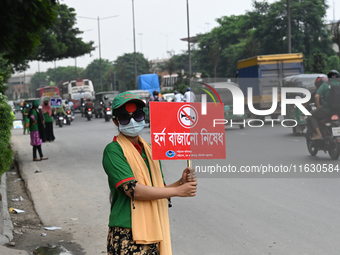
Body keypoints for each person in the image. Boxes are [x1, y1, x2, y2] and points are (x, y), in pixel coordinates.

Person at [102, 91, 197, 255]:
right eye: (125, 117)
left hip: (153, 227)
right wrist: (178, 191)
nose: (132, 121)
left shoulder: (150, 149)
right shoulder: (113, 151)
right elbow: (134, 190)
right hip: (127, 231)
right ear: (116, 122)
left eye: (137, 115)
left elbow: (159, 189)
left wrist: (180, 183)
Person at [307, 70, 339, 140]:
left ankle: (318, 134)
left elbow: (316, 96)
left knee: (310, 116)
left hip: (327, 111)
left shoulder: (325, 85)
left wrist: (319, 107)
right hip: (338, 111)